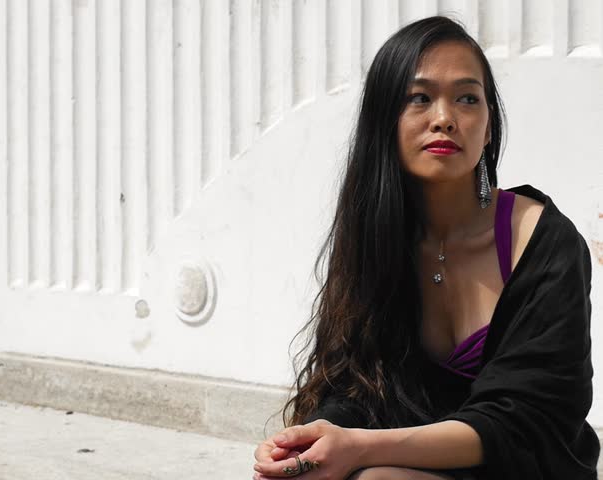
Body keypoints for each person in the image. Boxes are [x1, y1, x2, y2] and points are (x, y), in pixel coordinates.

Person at [252, 16, 599, 480]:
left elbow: (527, 420)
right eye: (419, 98)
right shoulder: (377, 234)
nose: (444, 118)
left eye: (467, 98)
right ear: (385, 122)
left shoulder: (544, 242)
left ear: (489, 126)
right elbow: (354, 383)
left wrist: (360, 448)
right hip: (411, 455)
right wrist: (313, 443)